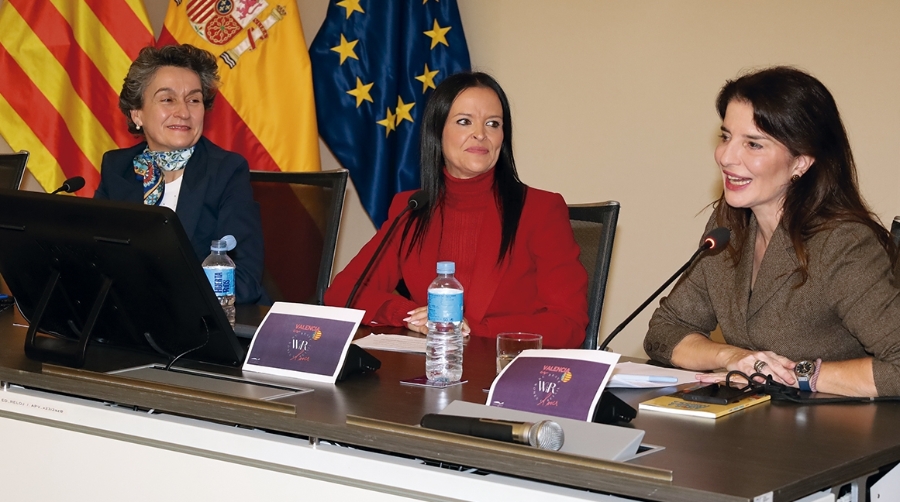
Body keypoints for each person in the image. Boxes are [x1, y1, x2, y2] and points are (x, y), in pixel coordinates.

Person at [645, 66, 900, 397]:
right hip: (755, 418)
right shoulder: (728, 227)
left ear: (801, 162)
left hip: (835, 425)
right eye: (726, 137)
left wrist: (795, 375)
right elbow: (665, 331)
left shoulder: (842, 243)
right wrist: (732, 357)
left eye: (753, 144)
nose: (725, 157)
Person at [324, 72, 588, 348]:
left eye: (493, 124)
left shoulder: (540, 209)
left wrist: (473, 329)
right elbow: (343, 292)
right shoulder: (412, 208)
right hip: (431, 364)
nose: (481, 134)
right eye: (464, 121)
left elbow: (568, 323)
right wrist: (411, 316)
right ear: (437, 132)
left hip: (507, 363)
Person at [95, 44, 265, 305]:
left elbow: (243, 279)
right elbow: (96, 258)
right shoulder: (118, 168)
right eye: (167, 99)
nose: (184, 112)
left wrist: (158, 288)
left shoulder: (227, 171)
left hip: (199, 320)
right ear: (137, 113)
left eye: (194, 100)